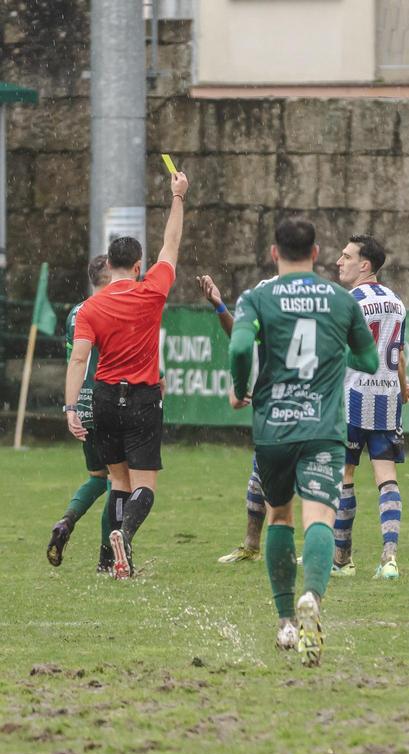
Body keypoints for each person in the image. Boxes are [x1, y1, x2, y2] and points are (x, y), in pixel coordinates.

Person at [228, 217, 379, 667]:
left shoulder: (256, 297)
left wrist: (241, 387)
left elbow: (239, 350)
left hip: (274, 428)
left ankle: (285, 622)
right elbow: (369, 362)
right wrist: (337, 350)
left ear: (274, 254)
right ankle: (311, 595)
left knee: (279, 515)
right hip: (321, 428)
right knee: (320, 515)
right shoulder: (340, 299)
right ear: (315, 254)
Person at [64, 171, 190, 581]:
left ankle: (110, 558)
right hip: (141, 399)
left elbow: (78, 361)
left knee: (117, 480)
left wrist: (70, 408)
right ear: (137, 266)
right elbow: (170, 245)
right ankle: (124, 534)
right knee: (145, 486)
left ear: (109, 264)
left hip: (102, 398)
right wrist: (177, 198)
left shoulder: (91, 308)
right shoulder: (151, 289)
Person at [332, 234, 409, 579]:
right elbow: (398, 352)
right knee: (387, 479)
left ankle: (342, 560)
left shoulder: (348, 302)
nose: (340, 261)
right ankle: (390, 558)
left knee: (345, 477)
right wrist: (403, 386)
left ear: (365, 265)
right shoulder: (398, 303)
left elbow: (336, 350)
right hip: (385, 400)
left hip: (351, 399)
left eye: (346, 256)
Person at [197, 274, 272, 567]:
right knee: (260, 480)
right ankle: (252, 546)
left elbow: (242, 346)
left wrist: (240, 388)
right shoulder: (270, 294)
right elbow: (240, 337)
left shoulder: (280, 300)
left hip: (296, 410)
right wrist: (219, 307)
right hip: (276, 409)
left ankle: (330, 554)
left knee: (303, 484)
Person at [47, 255, 114, 571]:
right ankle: (108, 558)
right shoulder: (116, 307)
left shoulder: (77, 312)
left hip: (84, 404)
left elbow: (75, 359)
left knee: (99, 477)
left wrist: (71, 406)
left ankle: (65, 521)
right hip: (113, 402)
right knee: (121, 482)